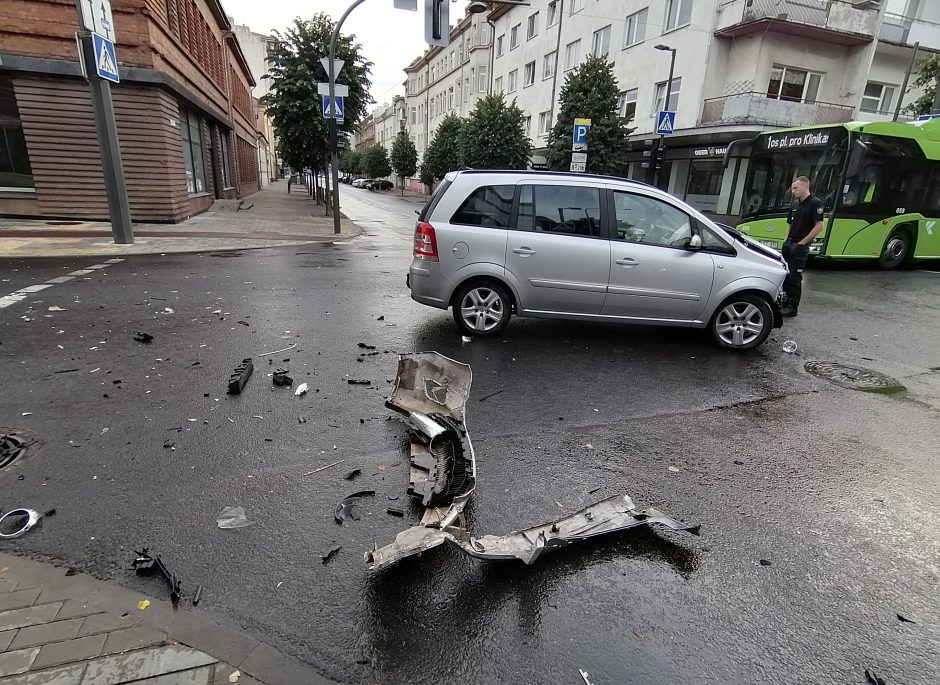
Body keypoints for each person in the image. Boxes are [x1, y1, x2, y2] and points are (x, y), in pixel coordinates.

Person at [781, 176, 824, 317]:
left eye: (796, 188)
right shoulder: (795, 204)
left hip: (800, 245)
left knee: (795, 277)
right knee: (786, 275)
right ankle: (785, 301)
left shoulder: (815, 204)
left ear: (805, 186)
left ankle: (793, 307)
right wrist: (786, 240)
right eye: (792, 188)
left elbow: (819, 226)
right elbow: (789, 224)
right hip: (790, 243)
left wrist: (802, 243)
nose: (793, 191)